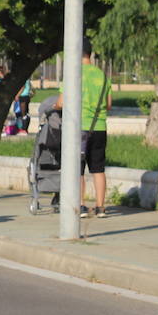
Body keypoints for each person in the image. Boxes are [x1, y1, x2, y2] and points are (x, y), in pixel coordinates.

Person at [55, 37, 112, 219]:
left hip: (78, 129)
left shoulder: (73, 73)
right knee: (98, 168)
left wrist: (55, 107)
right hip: (99, 127)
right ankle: (101, 207)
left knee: (77, 169)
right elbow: (108, 105)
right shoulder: (102, 75)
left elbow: (61, 103)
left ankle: (80, 205)